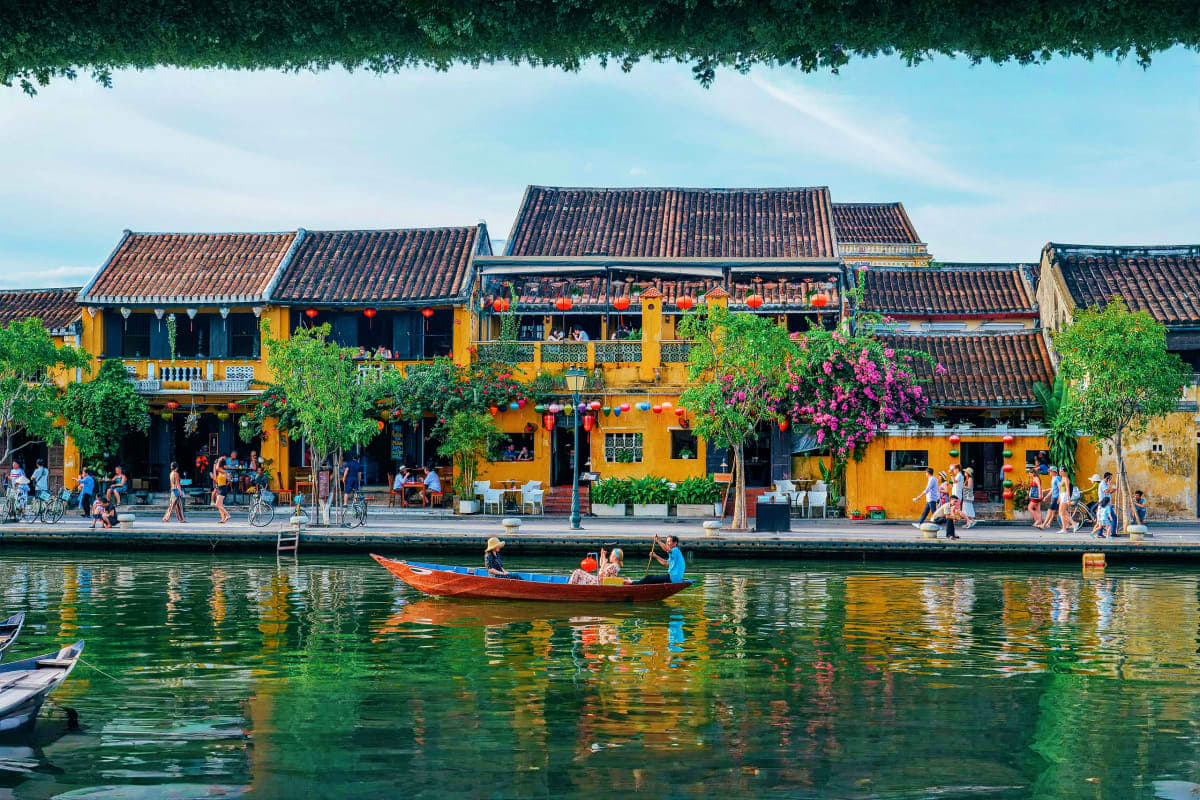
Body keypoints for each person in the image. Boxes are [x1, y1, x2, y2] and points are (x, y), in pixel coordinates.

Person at [213, 458, 232, 524]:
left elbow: (217, 468)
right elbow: (215, 478)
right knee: (220, 505)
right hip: (220, 488)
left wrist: (219, 460)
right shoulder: (220, 472)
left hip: (223, 488)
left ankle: (227, 515)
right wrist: (214, 464)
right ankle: (223, 519)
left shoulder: (223, 471)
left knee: (217, 504)